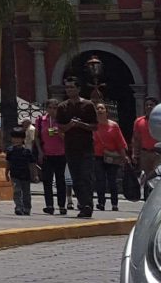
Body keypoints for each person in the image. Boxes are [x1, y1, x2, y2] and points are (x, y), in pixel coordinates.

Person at [53, 77, 101, 218]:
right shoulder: (63, 107)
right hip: (71, 148)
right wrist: (70, 125)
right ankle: (82, 203)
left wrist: (81, 125)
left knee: (86, 176)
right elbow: (60, 126)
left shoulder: (88, 105)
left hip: (86, 148)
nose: (69, 90)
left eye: (72, 87)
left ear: (78, 89)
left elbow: (95, 126)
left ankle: (88, 205)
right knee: (76, 178)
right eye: (67, 88)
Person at [93, 102, 128, 211]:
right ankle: (101, 203)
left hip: (112, 157)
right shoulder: (93, 126)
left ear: (106, 111)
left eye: (102, 108)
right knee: (100, 180)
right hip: (98, 156)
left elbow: (120, 143)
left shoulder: (113, 126)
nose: (99, 110)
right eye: (97, 108)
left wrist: (124, 157)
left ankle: (114, 203)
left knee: (112, 180)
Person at [36, 104, 69, 214]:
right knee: (47, 180)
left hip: (61, 154)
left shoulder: (62, 120)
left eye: (55, 108)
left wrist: (59, 133)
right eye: (50, 107)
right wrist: (40, 151)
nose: (52, 110)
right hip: (47, 154)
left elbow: (68, 138)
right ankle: (49, 205)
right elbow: (37, 137)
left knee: (60, 180)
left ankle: (62, 205)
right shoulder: (41, 120)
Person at [5, 119, 39, 216]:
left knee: (26, 193)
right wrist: (6, 173)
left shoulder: (27, 152)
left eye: (18, 138)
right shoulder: (10, 150)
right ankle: (18, 207)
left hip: (25, 175)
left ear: (22, 139)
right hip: (14, 174)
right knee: (16, 191)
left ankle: (27, 208)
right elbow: (8, 162)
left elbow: (32, 164)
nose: (16, 140)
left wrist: (35, 175)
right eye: (14, 138)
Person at [133, 99, 161, 196]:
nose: (149, 107)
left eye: (151, 105)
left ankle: (157, 195)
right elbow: (136, 139)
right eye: (147, 105)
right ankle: (147, 196)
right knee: (146, 176)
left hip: (158, 154)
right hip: (145, 153)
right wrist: (135, 154)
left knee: (156, 175)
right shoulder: (139, 121)